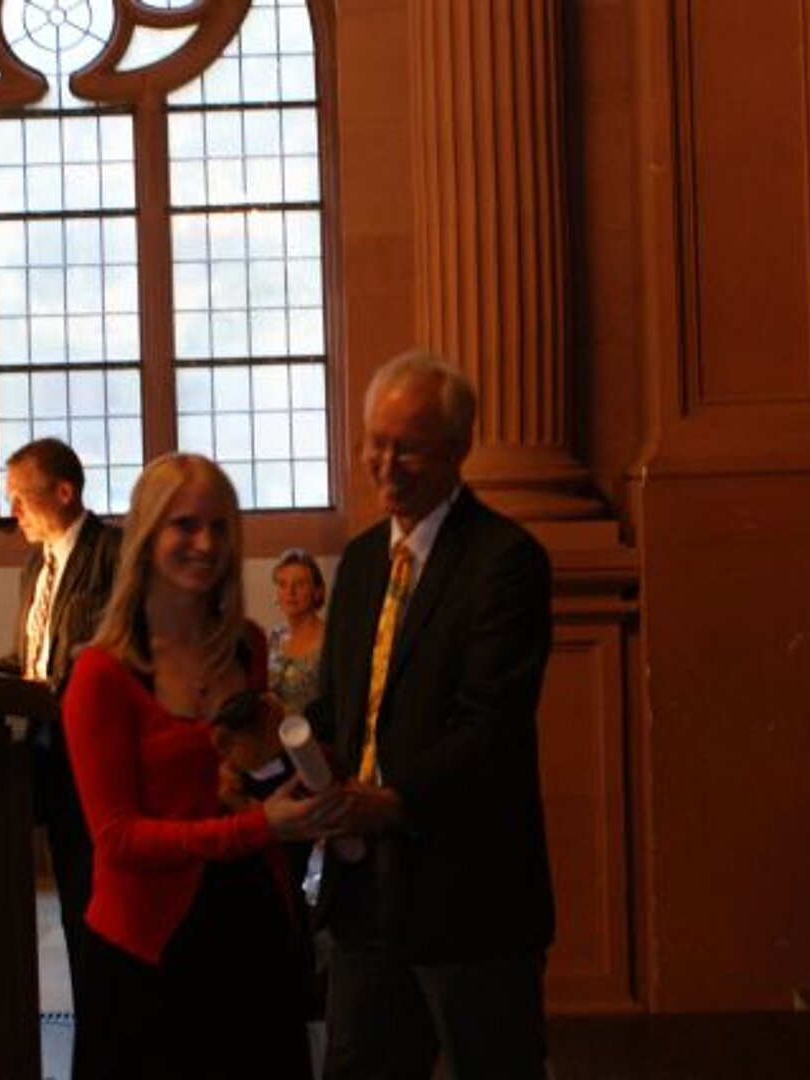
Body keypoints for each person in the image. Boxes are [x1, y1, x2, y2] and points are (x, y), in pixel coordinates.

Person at [307, 351, 556, 1079]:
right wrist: (281, 749)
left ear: (457, 447)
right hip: (363, 895)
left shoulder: (504, 560)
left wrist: (393, 800)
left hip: (468, 896)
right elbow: (338, 709)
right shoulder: (360, 563)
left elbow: (490, 724)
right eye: (374, 443)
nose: (385, 465)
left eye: (407, 447)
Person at [62, 452, 345, 1080]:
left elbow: (245, 770)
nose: (206, 543)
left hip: (252, 930)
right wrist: (258, 827)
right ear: (146, 535)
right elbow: (118, 838)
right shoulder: (102, 674)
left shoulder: (245, 645)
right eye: (184, 525)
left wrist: (310, 769)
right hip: (149, 949)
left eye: (220, 527)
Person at [0, 438, 120, 1004]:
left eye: (21, 498)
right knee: (74, 898)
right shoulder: (35, 567)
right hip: (48, 752)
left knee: (101, 899)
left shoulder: (112, 552)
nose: (14, 512)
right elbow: (27, 664)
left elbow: (115, 649)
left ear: (64, 492)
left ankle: (111, 1016)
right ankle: (88, 1016)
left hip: (97, 754)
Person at [269, 548, 327, 716]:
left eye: (300, 584)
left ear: (317, 591)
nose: (290, 592)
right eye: (282, 584)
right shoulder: (275, 636)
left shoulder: (330, 641)